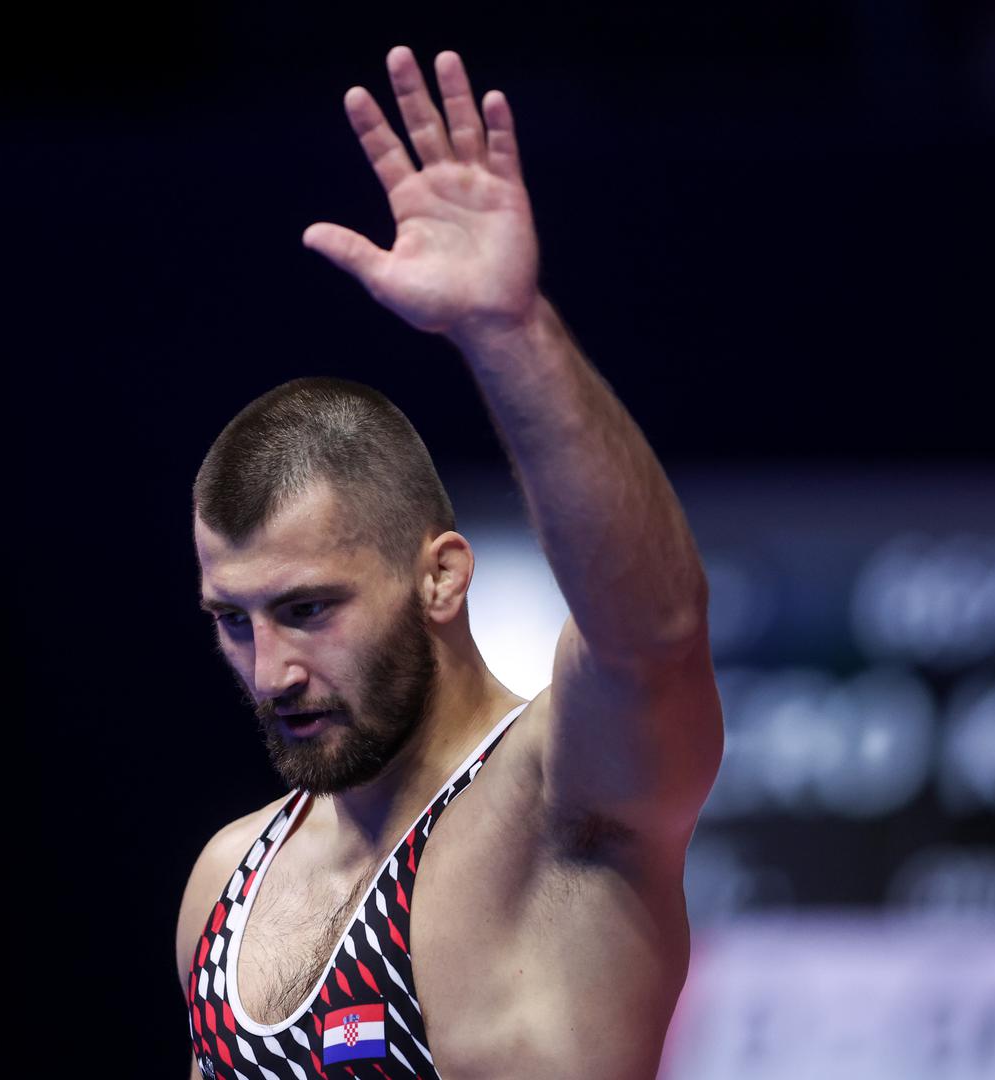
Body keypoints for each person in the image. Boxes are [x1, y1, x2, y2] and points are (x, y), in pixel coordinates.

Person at [176, 45, 722, 1080]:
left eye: (308, 609)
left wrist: (505, 333)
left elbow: (653, 635)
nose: (269, 672)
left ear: (441, 576)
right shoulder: (225, 885)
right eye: (232, 620)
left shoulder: (556, 803)